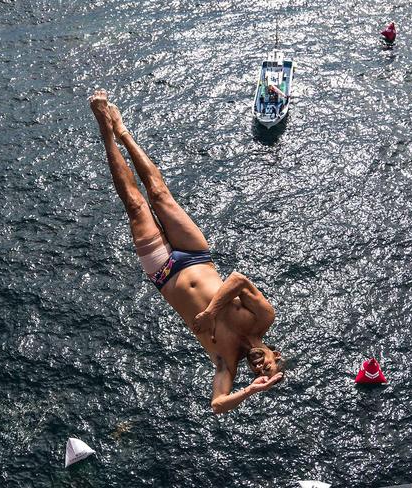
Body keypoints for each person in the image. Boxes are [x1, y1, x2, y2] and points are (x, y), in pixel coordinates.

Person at [89, 89, 284, 414]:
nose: (259, 369)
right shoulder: (263, 317)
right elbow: (237, 279)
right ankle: (123, 130)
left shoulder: (226, 362)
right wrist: (210, 314)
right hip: (196, 255)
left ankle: (105, 129)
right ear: (275, 355)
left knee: (136, 204)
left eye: (258, 374)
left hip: (164, 272)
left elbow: (218, 404)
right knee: (158, 192)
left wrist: (250, 390)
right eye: (267, 368)